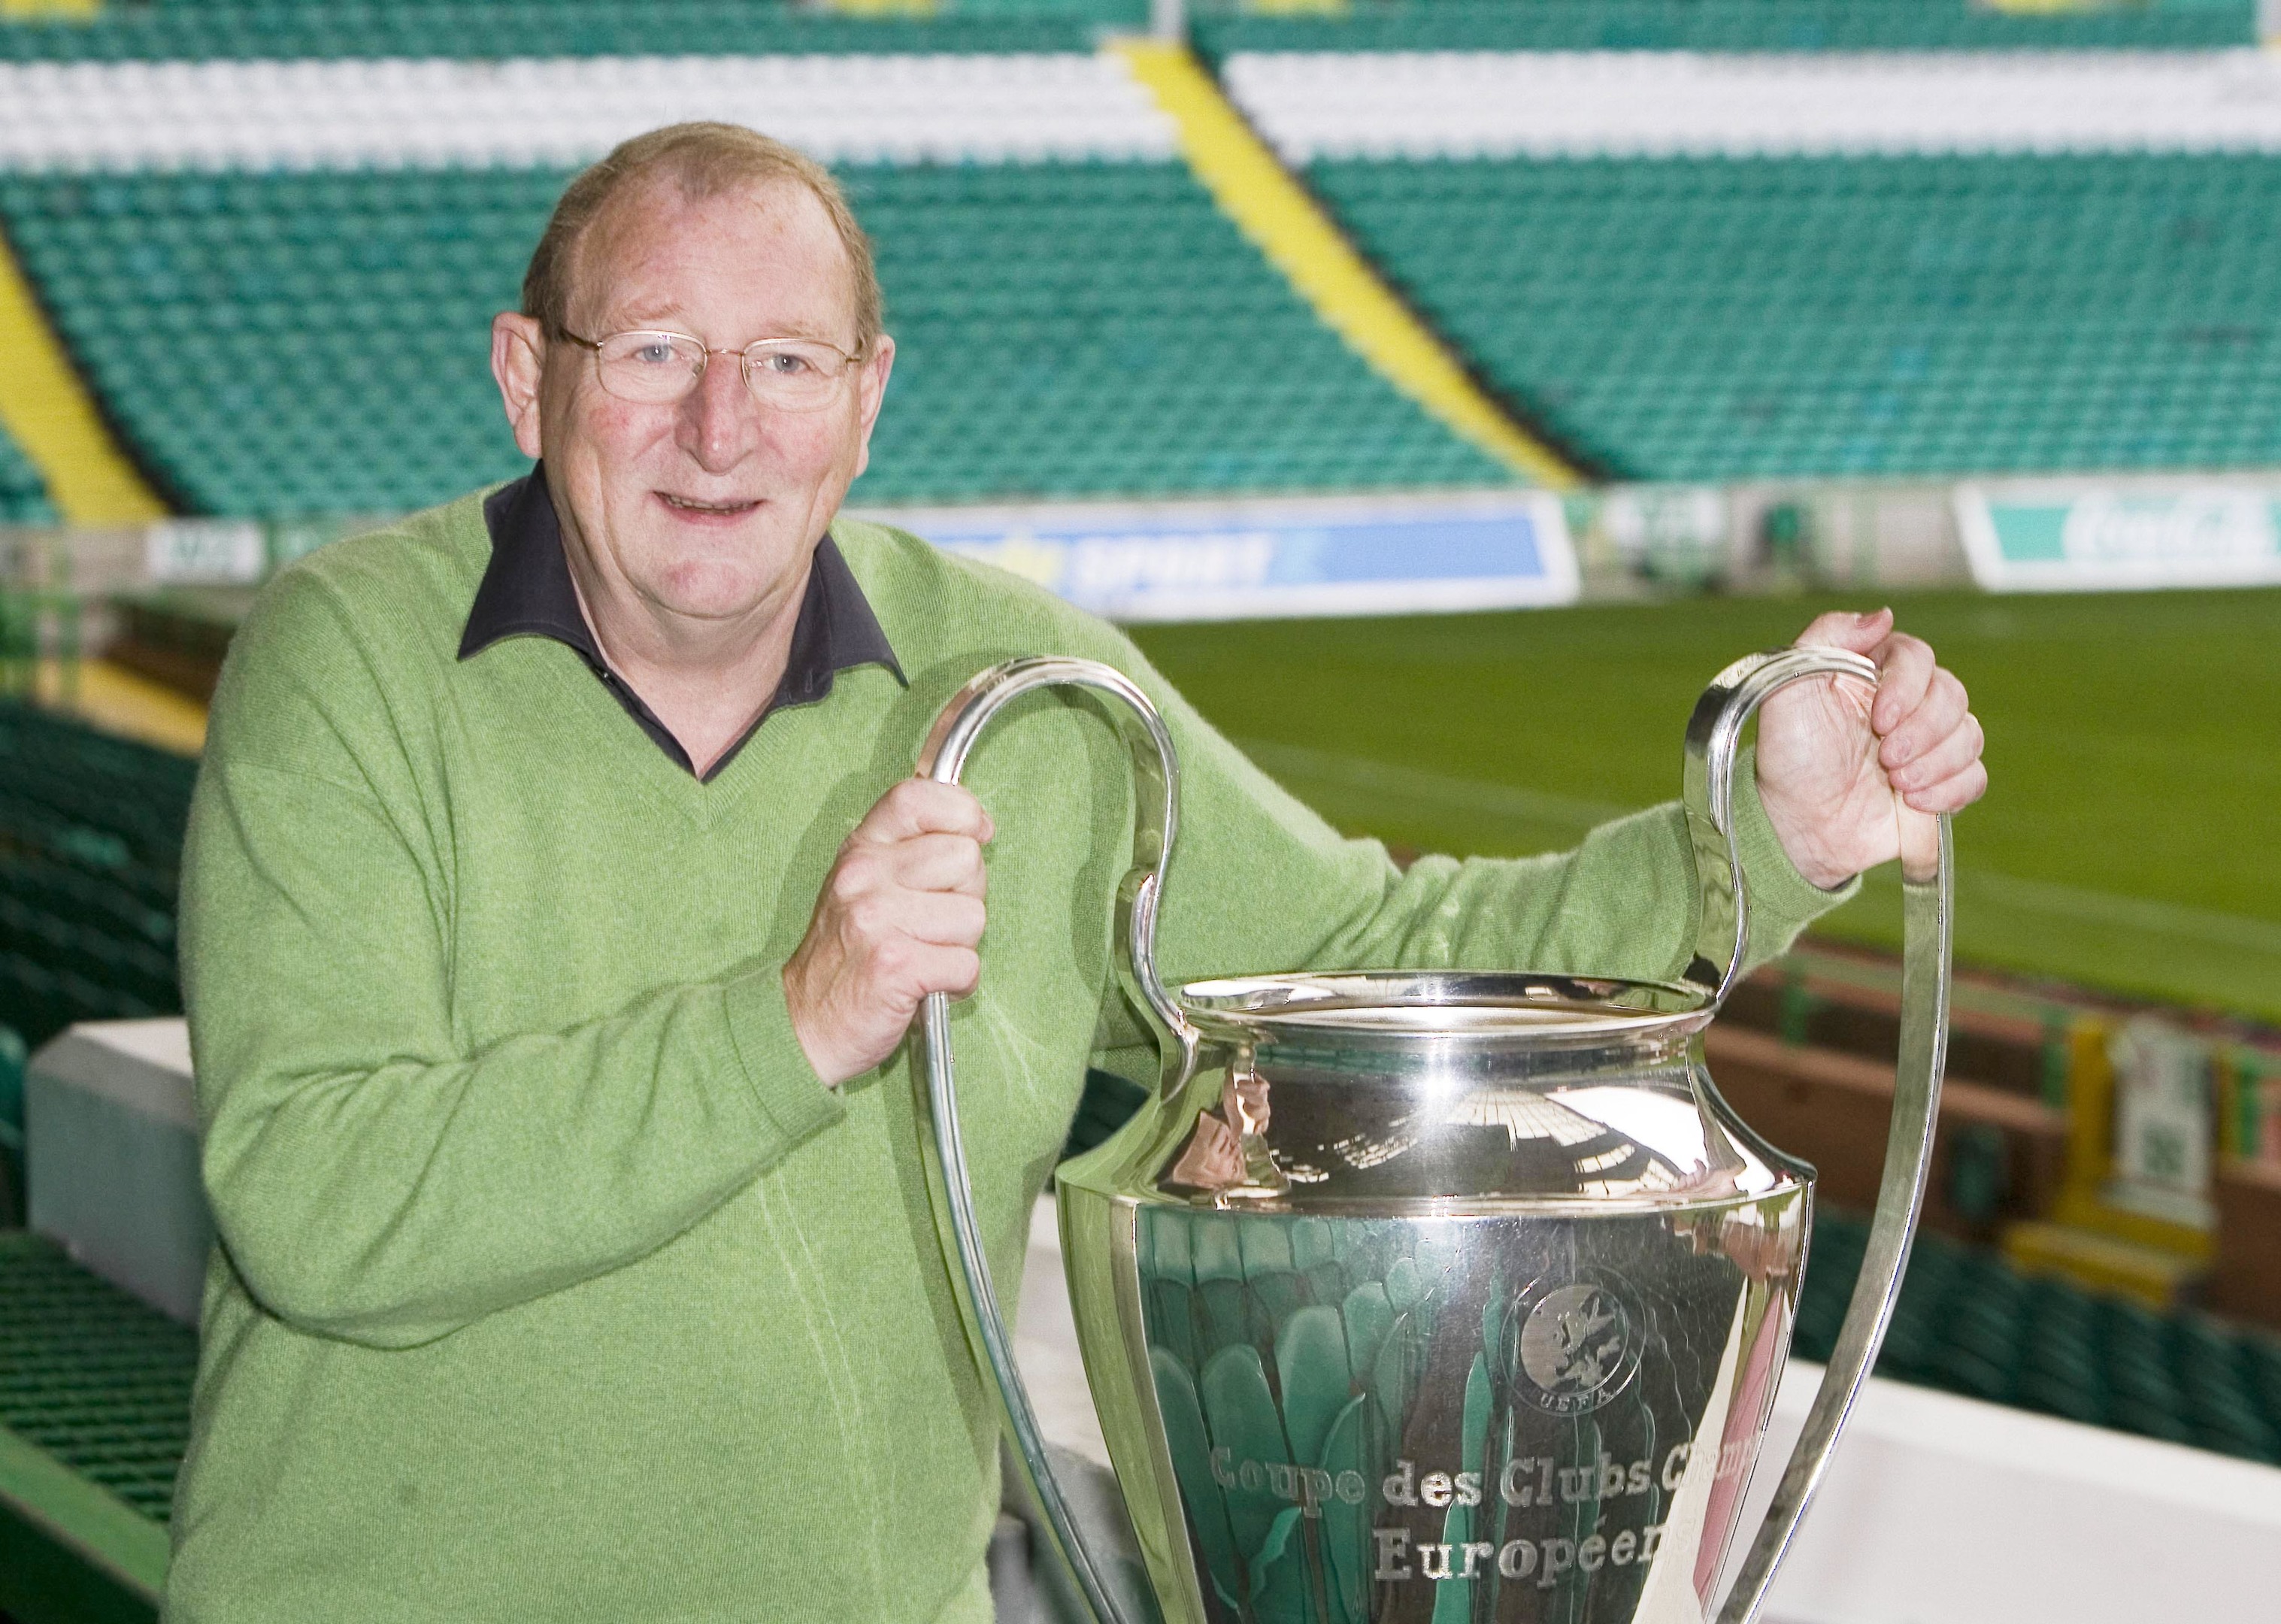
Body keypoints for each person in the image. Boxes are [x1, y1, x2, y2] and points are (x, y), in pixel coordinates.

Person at [168, 122, 1986, 1622]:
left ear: (865, 401)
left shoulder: (1022, 695)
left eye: (785, 363)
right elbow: (311, 1201)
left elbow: (1364, 961)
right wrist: (797, 1021)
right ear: (524, 379)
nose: (720, 428)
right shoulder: (350, 660)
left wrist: (1761, 839)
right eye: (650, 353)